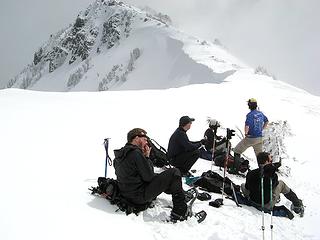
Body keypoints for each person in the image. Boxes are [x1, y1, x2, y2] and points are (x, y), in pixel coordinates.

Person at [114, 128, 188, 221]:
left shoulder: (120, 155)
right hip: (138, 197)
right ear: (136, 138)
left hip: (127, 194)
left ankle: (179, 192)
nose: (146, 142)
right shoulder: (136, 153)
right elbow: (149, 177)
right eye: (145, 139)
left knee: (160, 176)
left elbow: (135, 174)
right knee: (174, 172)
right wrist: (147, 157)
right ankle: (180, 212)